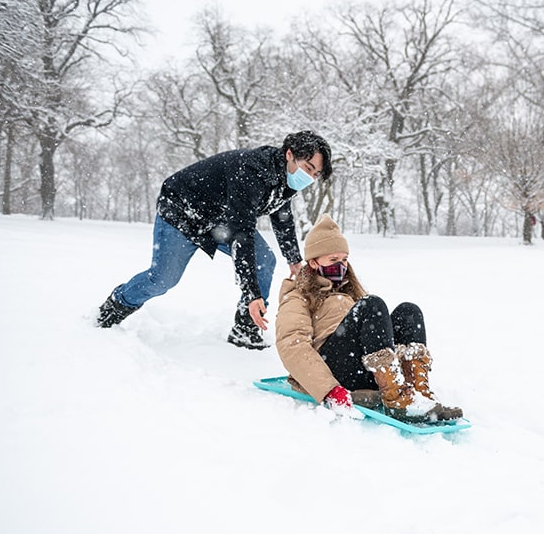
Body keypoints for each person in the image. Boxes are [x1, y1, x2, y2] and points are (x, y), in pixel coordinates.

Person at [95, 131, 332, 350]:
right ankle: (116, 305)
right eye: (308, 167)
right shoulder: (252, 170)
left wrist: (293, 259)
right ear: (289, 154)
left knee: (264, 260)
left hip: (219, 219)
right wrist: (252, 293)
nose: (310, 177)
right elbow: (242, 234)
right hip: (183, 212)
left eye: (315, 173)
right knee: (163, 279)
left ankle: (246, 330)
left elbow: (281, 215)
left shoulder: (285, 177)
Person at [275, 214, 463, 423]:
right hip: (332, 369)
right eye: (333, 260)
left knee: (408, 312)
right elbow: (293, 345)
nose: (341, 265)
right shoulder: (297, 297)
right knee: (372, 305)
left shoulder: (349, 292)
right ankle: (396, 401)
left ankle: (417, 393)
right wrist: (329, 389)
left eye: (344, 259)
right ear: (313, 263)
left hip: (362, 367)